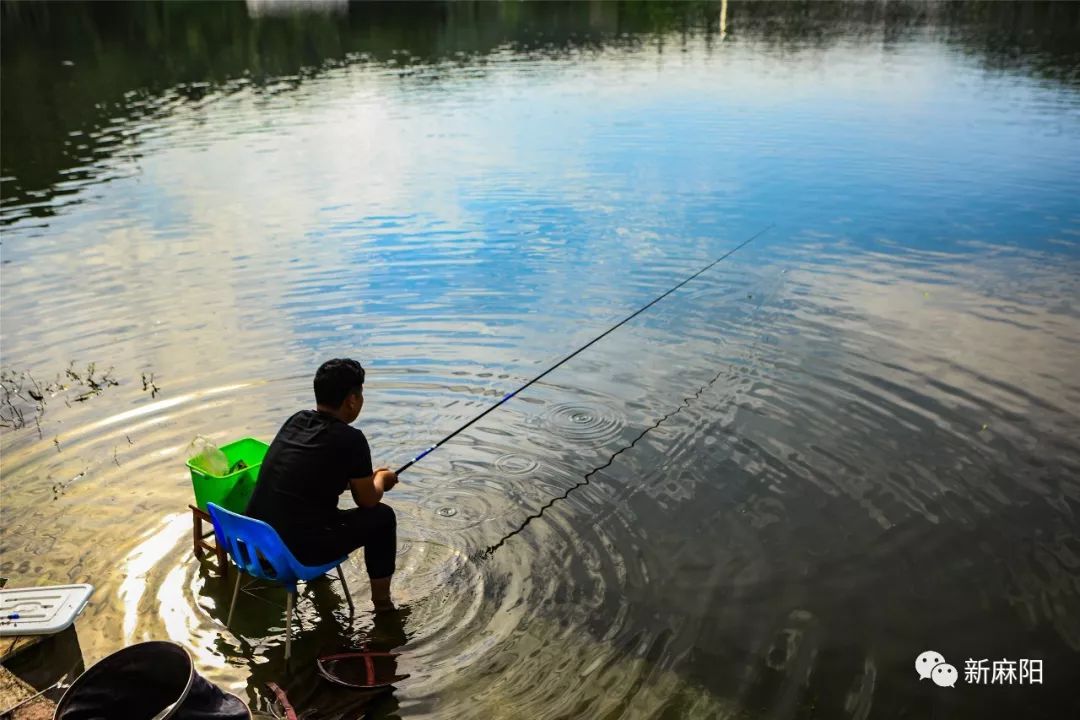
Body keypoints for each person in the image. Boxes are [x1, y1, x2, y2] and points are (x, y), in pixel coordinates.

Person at [245, 358, 399, 611]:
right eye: (360, 395)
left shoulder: (296, 421)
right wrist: (382, 479)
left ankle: (321, 588)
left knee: (308, 514)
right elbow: (368, 501)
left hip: (252, 545)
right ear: (352, 400)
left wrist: (363, 479)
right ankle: (382, 604)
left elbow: (312, 476)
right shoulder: (351, 439)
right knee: (382, 518)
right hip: (293, 554)